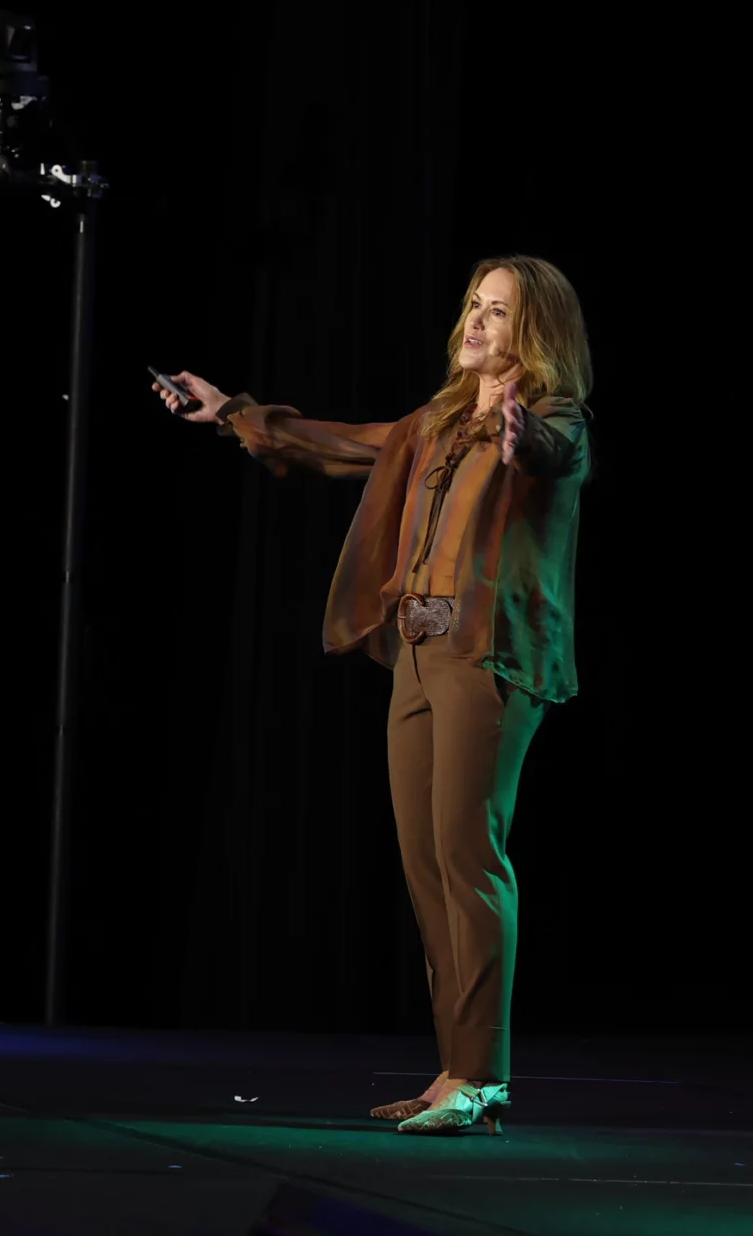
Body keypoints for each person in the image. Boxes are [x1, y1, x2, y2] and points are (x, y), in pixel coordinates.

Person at [156, 256, 592, 1137]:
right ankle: (453, 1072)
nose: (475, 321)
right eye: (474, 304)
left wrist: (520, 436)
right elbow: (342, 442)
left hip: (490, 656)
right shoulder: (433, 422)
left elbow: (554, 453)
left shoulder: (553, 417)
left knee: (470, 857)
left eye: (498, 313)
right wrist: (236, 413)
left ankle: (482, 1078)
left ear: (533, 333)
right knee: (427, 862)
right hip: (421, 651)